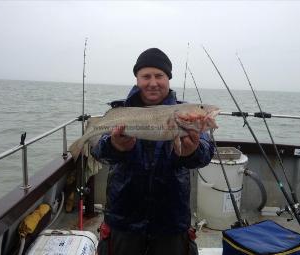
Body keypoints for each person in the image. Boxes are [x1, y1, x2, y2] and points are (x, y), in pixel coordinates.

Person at [91, 48, 215, 255]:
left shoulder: (186, 114)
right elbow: (98, 151)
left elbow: (206, 153)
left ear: (168, 78)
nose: (153, 82)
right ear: (137, 79)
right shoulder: (120, 111)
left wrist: (191, 152)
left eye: (159, 76)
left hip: (172, 219)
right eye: (146, 76)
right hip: (124, 217)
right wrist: (115, 146)